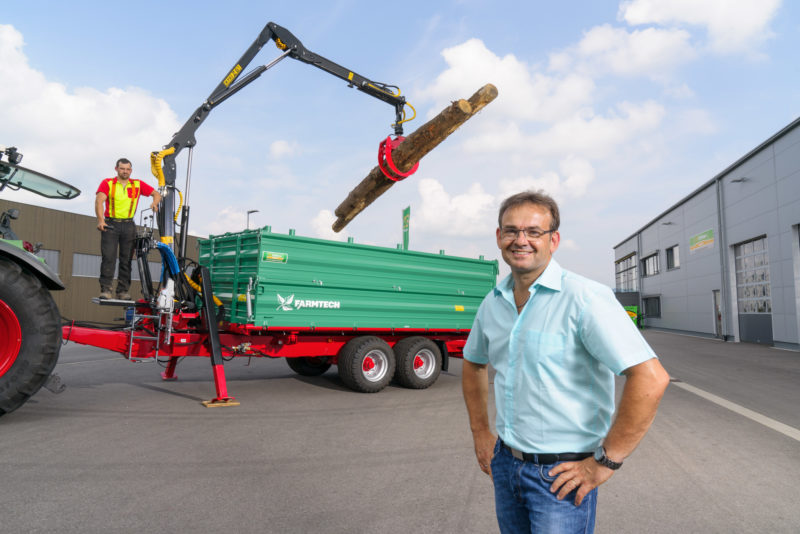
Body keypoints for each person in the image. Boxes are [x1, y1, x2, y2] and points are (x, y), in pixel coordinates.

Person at [462, 190, 670, 534]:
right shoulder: (493, 302)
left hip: (561, 477)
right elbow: (473, 364)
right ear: (499, 237)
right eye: (511, 230)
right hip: (506, 465)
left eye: (533, 232)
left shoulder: (585, 298)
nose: (521, 240)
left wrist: (606, 461)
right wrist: (480, 432)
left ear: (553, 240)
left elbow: (651, 378)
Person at [95, 158, 161, 300]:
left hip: (129, 225)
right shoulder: (108, 183)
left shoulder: (137, 184)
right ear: (116, 169)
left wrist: (154, 203)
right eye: (122, 168)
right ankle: (106, 290)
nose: (125, 171)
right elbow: (99, 201)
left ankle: (122, 291)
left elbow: (156, 194)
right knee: (109, 258)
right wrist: (101, 220)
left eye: (128, 169)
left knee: (127, 260)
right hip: (110, 224)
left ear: (131, 170)